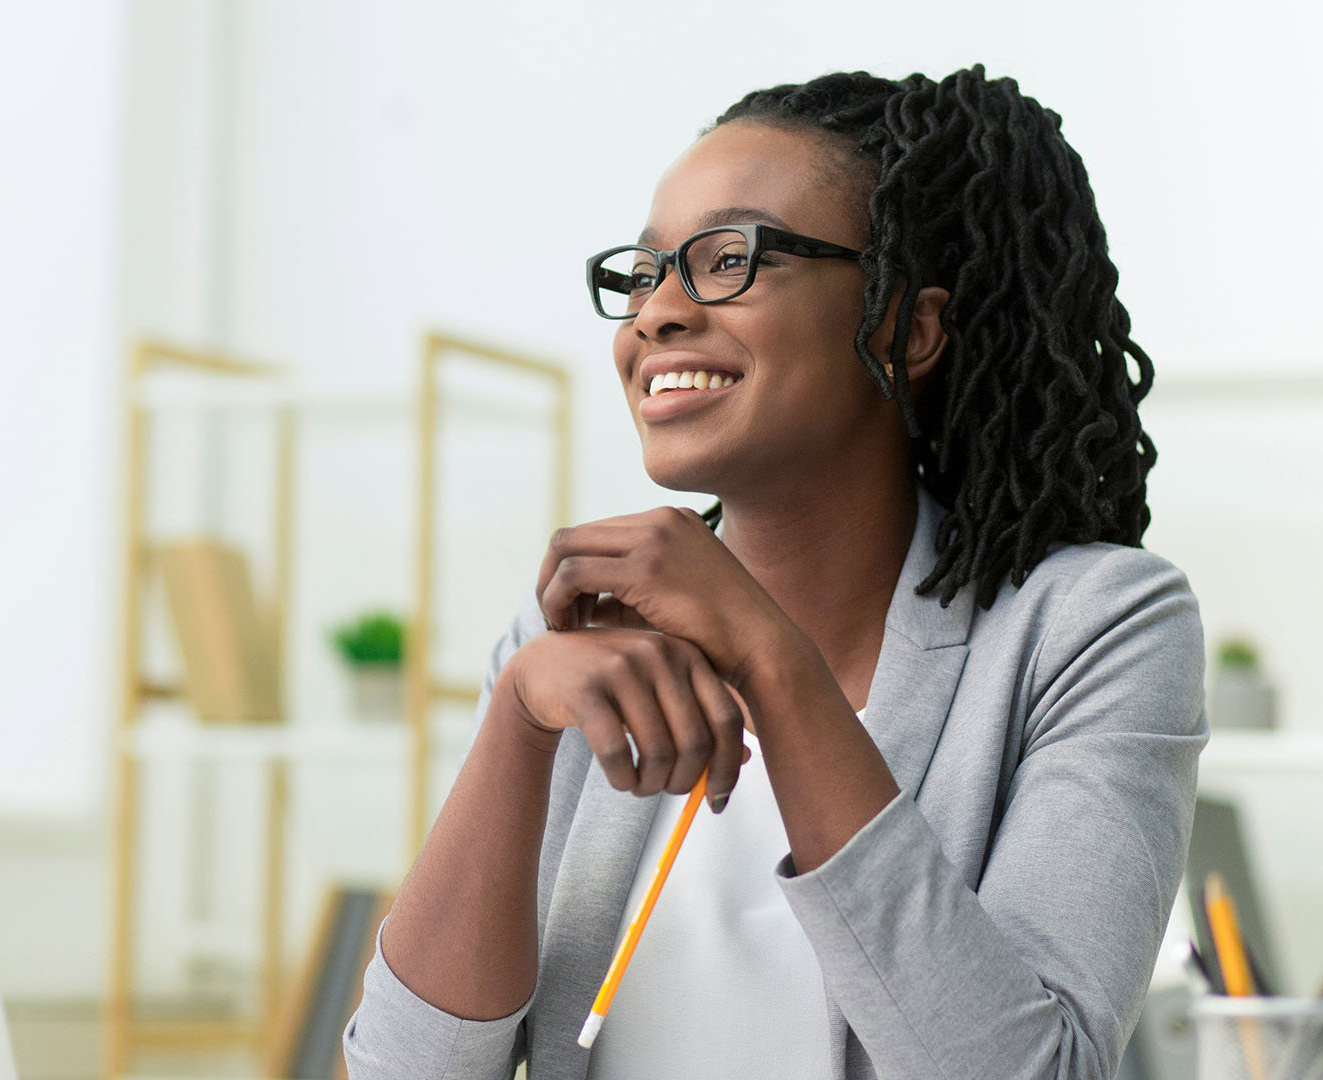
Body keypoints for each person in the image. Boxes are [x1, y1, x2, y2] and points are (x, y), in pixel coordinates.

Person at [343, 64, 1206, 1079]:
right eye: (647, 271)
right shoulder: (576, 641)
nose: (655, 313)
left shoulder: (1093, 626)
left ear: (904, 326)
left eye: (728, 259)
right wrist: (518, 726)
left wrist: (767, 654)